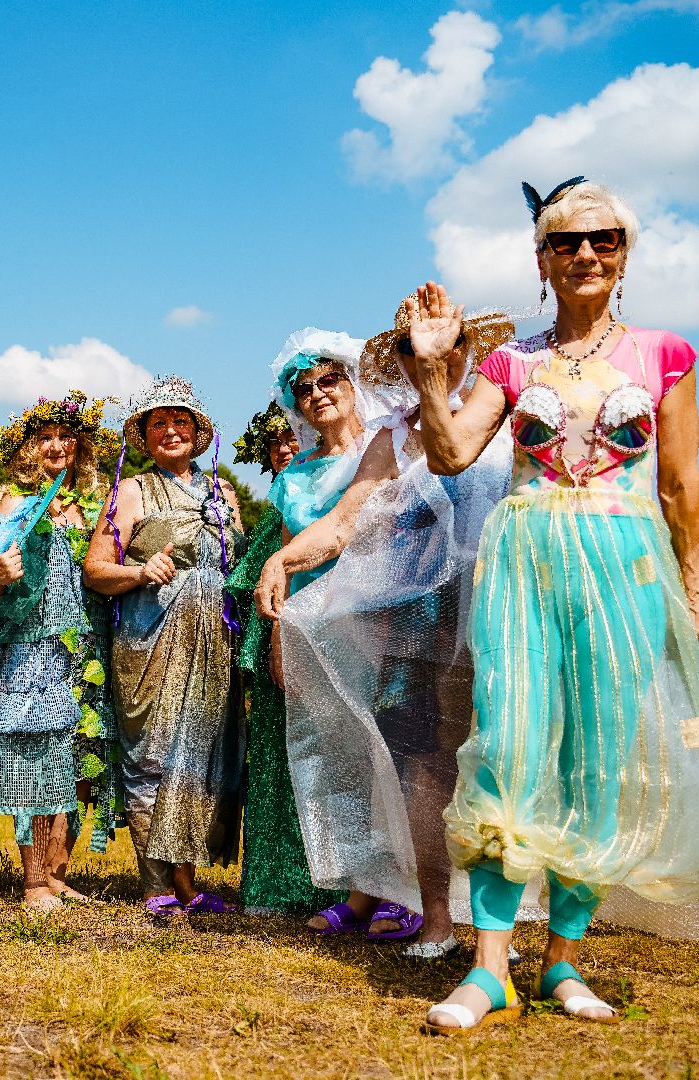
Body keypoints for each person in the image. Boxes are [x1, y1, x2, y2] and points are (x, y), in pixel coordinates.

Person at [403, 178, 699, 1032]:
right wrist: (431, 369)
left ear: (623, 255)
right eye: (565, 241)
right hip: (524, 561)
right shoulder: (512, 362)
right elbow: (449, 454)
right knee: (506, 744)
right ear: (541, 258)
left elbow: (680, 484)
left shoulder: (664, 353)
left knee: (601, 755)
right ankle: (488, 969)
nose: (585, 253)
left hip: (623, 564)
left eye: (603, 240)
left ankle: (561, 958)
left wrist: (696, 591)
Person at [254, 304, 517, 959]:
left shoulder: (504, 419)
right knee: (424, 766)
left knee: (501, 758)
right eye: (411, 349)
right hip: (417, 625)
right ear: (399, 362)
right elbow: (344, 522)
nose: (428, 356)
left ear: (465, 351)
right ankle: (436, 919)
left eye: (445, 344)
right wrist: (282, 559)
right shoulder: (392, 439)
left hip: (500, 608)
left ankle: (499, 924)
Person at [254, 328, 429, 942]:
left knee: (395, 752)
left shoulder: (392, 448)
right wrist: (279, 640)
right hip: (316, 631)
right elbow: (287, 556)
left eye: (329, 380)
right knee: (339, 759)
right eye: (304, 389)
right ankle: (360, 890)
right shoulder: (293, 476)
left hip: (385, 620)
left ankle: (411, 889)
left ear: (355, 383)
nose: (318, 394)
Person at [83, 376, 244, 914]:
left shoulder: (224, 493)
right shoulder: (130, 491)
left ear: (198, 432)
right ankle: (156, 886)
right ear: (145, 435)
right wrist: (138, 571)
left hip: (214, 640)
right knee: (153, 755)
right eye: (159, 423)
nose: (171, 430)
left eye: (180, 421)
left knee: (200, 757)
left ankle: (187, 884)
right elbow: (95, 570)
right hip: (149, 638)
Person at [0, 392, 124, 912]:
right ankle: (32, 882)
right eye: (44, 438)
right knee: (32, 757)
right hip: (32, 644)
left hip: (87, 643)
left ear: (79, 447)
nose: (55, 446)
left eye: (65, 437)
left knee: (77, 758)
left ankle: (57, 873)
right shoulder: (15, 501)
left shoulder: (95, 504)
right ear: (29, 448)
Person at [222, 402, 340, 916]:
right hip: (277, 641)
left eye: (293, 437)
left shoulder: (338, 492)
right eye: (276, 442)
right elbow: (249, 585)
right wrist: (271, 640)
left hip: (334, 636)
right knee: (276, 756)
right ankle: (276, 882)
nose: (286, 448)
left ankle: (336, 884)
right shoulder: (273, 514)